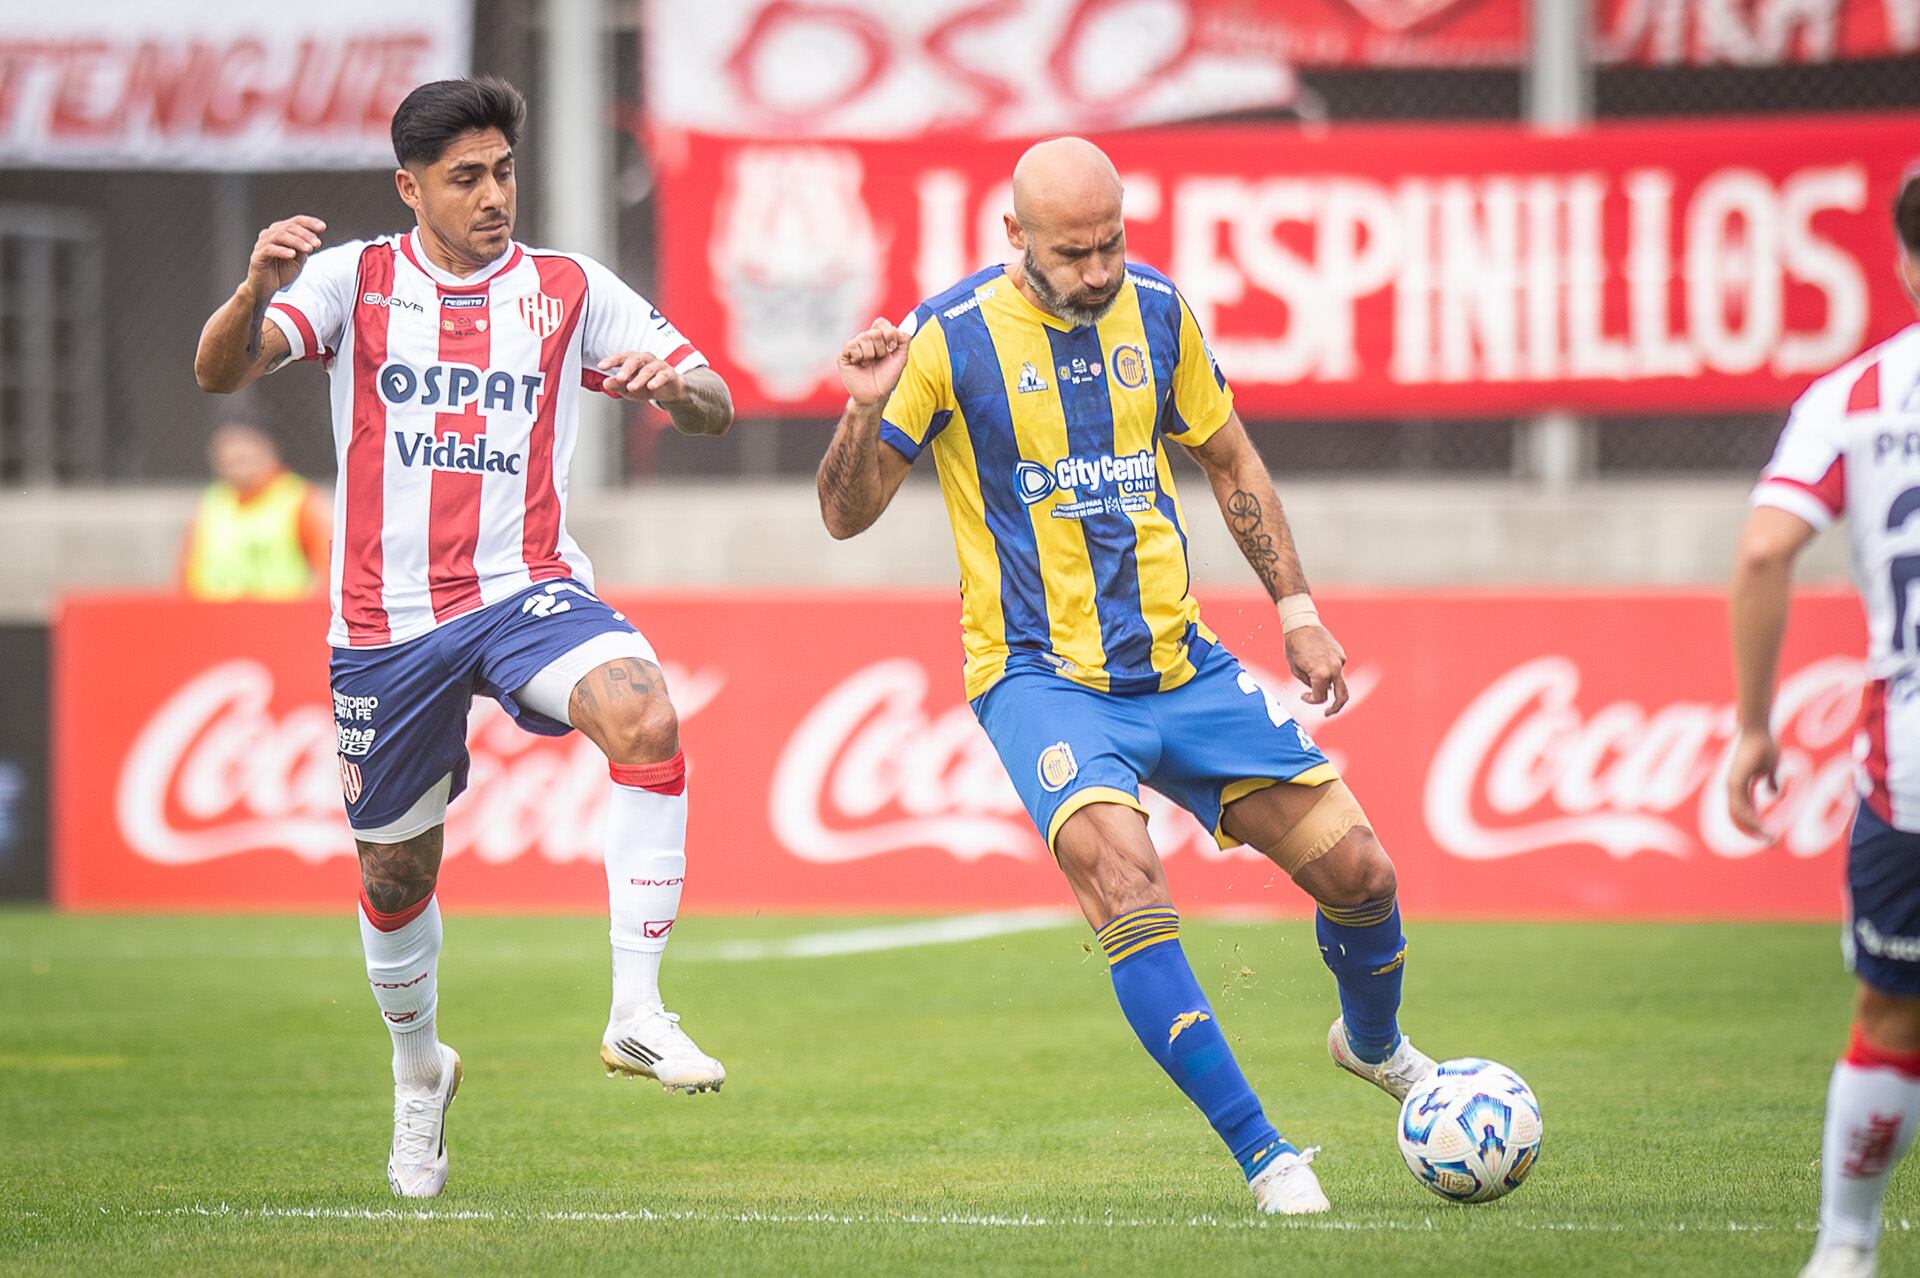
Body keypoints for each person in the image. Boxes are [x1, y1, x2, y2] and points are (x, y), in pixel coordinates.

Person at [817, 137, 1433, 1215]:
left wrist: (1297, 610)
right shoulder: (948, 337)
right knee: (1127, 881)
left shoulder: (1160, 311)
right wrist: (867, 404)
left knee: (1364, 876)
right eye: (1074, 252)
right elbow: (843, 515)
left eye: (1112, 244)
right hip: (1039, 678)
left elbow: (1229, 457)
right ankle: (1267, 1157)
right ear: (1014, 238)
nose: (1099, 270)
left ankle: (1374, 1046)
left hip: (1180, 664)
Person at [192, 77, 734, 1199]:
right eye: (465, 177)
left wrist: (678, 392)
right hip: (385, 628)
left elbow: (713, 391)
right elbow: (219, 370)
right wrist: (254, 287)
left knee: (645, 707)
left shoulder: (566, 290)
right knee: (395, 871)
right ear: (410, 189)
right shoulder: (353, 281)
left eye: (502, 172)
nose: (493, 196)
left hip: (525, 590)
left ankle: (638, 1011)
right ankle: (418, 1074)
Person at [1729, 167, 1920, 1278]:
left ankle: (1844, 1250)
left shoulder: (1853, 397)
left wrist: (1755, 727)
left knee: (1891, 1015)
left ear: (1901, 263)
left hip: (1910, 766)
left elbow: (1763, 549)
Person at [179, 422, 329, 601]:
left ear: (268, 455)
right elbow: (189, 569)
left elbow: (325, 565)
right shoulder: (212, 502)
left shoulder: (296, 498)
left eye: (242, 459)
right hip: (215, 617)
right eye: (227, 462)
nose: (235, 469)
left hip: (278, 616)